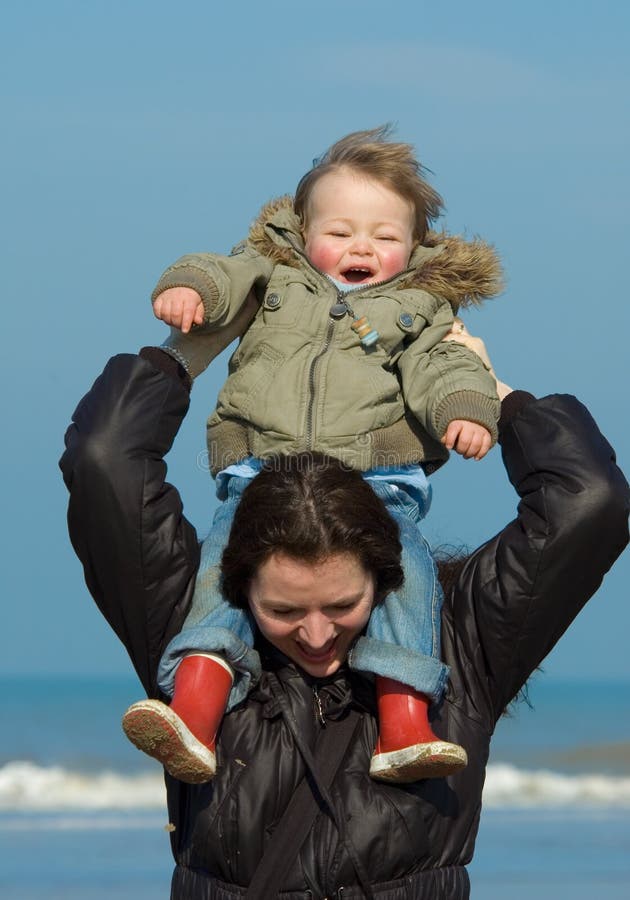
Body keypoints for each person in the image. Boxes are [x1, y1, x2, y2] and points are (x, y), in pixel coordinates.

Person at [60, 327, 629, 899]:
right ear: (236, 584)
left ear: (385, 577)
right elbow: (104, 462)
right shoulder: (190, 628)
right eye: (282, 609)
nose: (314, 634)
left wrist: (494, 396)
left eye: (342, 605)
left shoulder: (460, 644)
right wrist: (193, 349)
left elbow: (589, 501)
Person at [121, 126, 503, 784]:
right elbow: (220, 274)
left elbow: (444, 370)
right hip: (261, 475)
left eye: (385, 237)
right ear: (301, 229)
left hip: (374, 483)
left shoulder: (419, 309)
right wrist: (190, 290)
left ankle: (405, 720)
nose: (363, 247)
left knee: (406, 571)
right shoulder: (272, 273)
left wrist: (467, 411)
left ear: (413, 246)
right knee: (222, 571)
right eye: (342, 230)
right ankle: (194, 710)